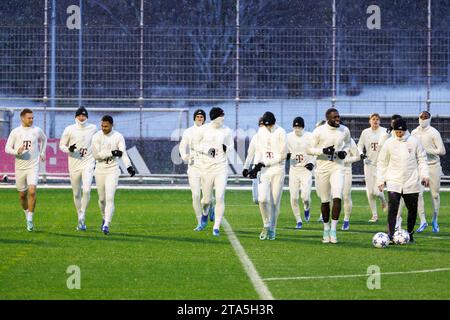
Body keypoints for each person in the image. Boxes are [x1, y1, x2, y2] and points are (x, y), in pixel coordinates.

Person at [377, 119, 429, 243]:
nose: (399, 134)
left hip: (411, 182)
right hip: (393, 181)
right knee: (392, 210)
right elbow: (382, 163)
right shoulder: (389, 143)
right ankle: (390, 235)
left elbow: (422, 159)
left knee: (412, 210)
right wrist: (380, 180)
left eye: (401, 131)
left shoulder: (414, 141)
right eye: (397, 131)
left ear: (405, 130)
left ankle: (410, 233)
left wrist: (425, 175)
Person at [307, 108, 351, 244]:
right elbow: (309, 149)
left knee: (338, 196)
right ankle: (326, 229)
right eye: (335, 117)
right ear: (328, 118)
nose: (338, 119)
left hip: (337, 167)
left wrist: (344, 151)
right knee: (325, 201)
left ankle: (333, 229)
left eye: (338, 117)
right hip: (322, 169)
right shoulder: (319, 131)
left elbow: (349, 144)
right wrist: (323, 151)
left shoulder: (344, 130)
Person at [91, 115, 136, 235]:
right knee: (101, 200)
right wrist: (111, 152)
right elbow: (96, 155)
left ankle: (106, 224)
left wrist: (129, 167)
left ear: (112, 125)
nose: (103, 128)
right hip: (100, 170)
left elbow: (123, 153)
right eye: (102, 126)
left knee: (109, 197)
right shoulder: (96, 136)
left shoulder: (118, 136)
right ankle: (104, 217)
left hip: (113, 170)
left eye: (106, 126)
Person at [5, 108, 47, 231]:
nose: (31, 120)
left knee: (32, 191)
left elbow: (44, 139)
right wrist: (16, 152)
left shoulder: (37, 130)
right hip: (20, 168)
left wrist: (43, 152)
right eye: (29, 118)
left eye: (32, 117)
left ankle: (30, 220)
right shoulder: (15, 132)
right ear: (22, 118)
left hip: (33, 166)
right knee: (22, 195)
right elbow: (7, 148)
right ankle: (26, 213)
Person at [194, 107, 233, 236]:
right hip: (206, 168)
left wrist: (226, 148)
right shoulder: (203, 129)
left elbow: (231, 146)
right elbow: (194, 145)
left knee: (220, 196)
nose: (223, 118)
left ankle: (216, 226)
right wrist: (206, 150)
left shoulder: (226, 130)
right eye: (221, 116)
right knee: (205, 200)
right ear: (215, 117)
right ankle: (205, 212)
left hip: (221, 167)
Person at [59, 106, 97, 231]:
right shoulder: (69, 129)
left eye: (84, 115)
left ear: (87, 117)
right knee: (76, 193)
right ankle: (80, 219)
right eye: (80, 115)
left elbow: (98, 142)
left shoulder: (93, 128)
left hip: (88, 163)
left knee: (86, 190)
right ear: (76, 117)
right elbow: (61, 145)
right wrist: (69, 149)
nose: (82, 117)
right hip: (74, 164)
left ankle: (82, 215)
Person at [252, 111, 287, 240]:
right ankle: (266, 223)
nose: (268, 128)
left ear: (274, 122)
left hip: (278, 170)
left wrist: (266, 162)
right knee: (262, 199)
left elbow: (283, 155)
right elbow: (259, 151)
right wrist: (256, 166)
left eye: (270, 125)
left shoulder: (281, 132)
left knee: (274, 202)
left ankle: (273, 228)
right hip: (264, 171)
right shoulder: (261, 132)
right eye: (266, 125)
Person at [410, 111, 446, 233]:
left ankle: (434, 219)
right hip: (420, 167)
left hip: (433, 166)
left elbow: (442, 150)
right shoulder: (414, 132)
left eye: (425, 117)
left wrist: (427, 150)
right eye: (421, 117)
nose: (423, 119)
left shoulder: (434, 132)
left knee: (434, 195)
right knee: (418, 193)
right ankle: (422, 220)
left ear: (429, 119)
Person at [179, 109, 212, 231]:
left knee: (207, 197)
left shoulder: (209, 131)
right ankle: (200, 221)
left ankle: (211, 207)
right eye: (197, 116)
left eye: (202, 117)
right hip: (193, 167)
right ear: (194, 118)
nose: (199, 118)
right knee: (196, 195)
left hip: (207, 167)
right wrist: (185, 156)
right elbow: (182, 147)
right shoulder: (188, 132)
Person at [357, 113, 388, 223]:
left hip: (381, 165)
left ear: (380, 121)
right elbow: (359, 146)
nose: (375, 121)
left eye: (377, 119)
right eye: (373, 119)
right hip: (369, 164)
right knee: (370, 192)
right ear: (370, 121)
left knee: (377, 191)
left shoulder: (385, 132)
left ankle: (384, 200)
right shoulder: (365, 132)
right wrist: (362, 155)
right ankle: (374, 215)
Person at [287, 116, 315, 229]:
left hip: (305, 170)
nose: (297, 129)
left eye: (299, 126)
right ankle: (298, 220)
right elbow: (283, 150)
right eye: (295, 126)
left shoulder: (310, 136)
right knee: (294, 197)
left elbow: (316, 152)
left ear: (303, 127)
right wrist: (286, 155)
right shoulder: (288, 137)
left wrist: (312, 162)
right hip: (294, 170)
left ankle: (307, 207)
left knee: (305, 197)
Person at [242, 117, 264, 204]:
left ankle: (268, 216)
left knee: (265, 198)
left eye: (264, 125)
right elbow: (250, 154)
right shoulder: (255, 138)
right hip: (256, 170)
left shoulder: (272, 138)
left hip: (267, 169)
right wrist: (245, 168)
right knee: (256, 199)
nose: (262, 128)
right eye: (260, 125)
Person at [342, 138, 362, 230]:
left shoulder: (349, 140)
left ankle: (346, 220)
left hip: (346, 170)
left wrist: (344, 160)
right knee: (331, 197)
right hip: (331, 169)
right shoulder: (328, 137)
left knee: (346, 195)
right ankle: (330, 219)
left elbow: (357, 156)